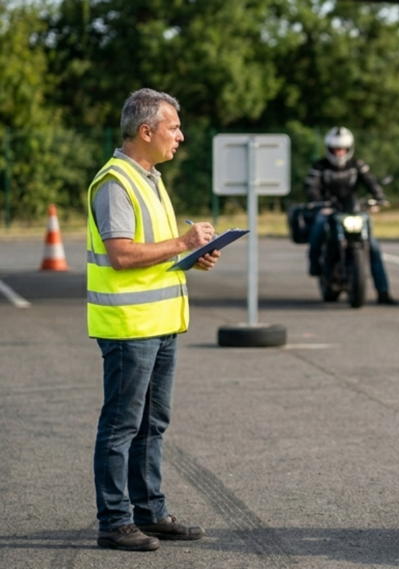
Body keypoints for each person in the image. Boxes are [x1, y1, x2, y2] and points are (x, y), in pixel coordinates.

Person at [87, 88, 214, 551]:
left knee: (151, 424)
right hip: (129, 328)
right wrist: (182, 243)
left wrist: (191, 256)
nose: (180, 135)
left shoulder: (150, 177)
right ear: (146, 131)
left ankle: (150, 513)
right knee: (122, 426)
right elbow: (121, 255)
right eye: (173, 127)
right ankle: (115, 521)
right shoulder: (116, 182)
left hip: (158, 323)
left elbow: (152, 251)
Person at [305, 126, 397, 305]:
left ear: (348, 149)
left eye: (342, 149)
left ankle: (383, 291)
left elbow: (370, 181)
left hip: (354, 210)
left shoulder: (357, 165)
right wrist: (318, 202)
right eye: (335, 149)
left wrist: (379, 199)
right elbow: (311, 187)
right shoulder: (319, 167)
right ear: (329, 149)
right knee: (317, 228)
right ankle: (315, 264)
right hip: (329, 210)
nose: (339, 153)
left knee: (374, 247)